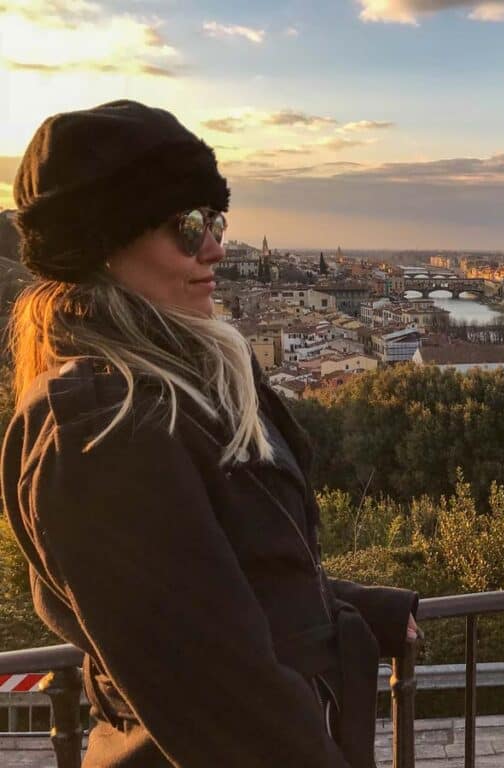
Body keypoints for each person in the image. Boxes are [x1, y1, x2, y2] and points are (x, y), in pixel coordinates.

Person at [0, 100, 419, 767]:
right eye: (187, 226)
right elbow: (222, 693)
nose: (217, 247)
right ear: (101, 243)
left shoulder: (165, 392)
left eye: (215, 222)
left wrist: (359, 612)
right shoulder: (103, 429)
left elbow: (219, 586)